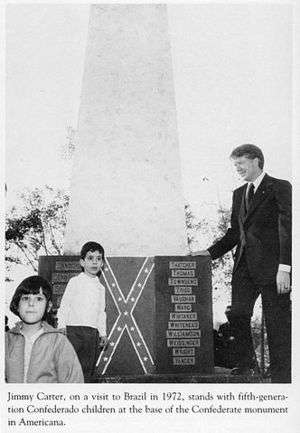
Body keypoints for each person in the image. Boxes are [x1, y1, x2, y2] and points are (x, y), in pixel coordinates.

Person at [192, 144, 291, 383]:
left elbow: (287, 229)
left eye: (241, 164)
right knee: (237, 314)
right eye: (235, 165)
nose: (237, 169)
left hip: (273, 269)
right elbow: (234, 234)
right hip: (244, 268)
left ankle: (282, 375)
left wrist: (285, 268)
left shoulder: (280, 187)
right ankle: (247, 366)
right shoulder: (239, 193)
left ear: (256, 161)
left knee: (277, 322)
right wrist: (208, 252)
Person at [5, 275, 84, 383]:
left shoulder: (59, 342)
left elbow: (74, 383)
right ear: (17, 305)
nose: (31, 304)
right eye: (25, 298)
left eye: (39, 299)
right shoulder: (6, 341)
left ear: (48, 306)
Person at [57, 241, 108, 382]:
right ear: (82, 262)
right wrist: (61, 325)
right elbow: (65, 305)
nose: (94, 262)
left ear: (102, 263)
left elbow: (101, 312)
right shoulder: (75, 281)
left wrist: (103, 333)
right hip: (73, 331)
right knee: (70, 367)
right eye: (90, 258)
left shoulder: (101, 288)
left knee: (87, 369)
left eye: (99, 259)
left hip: (92, 333)